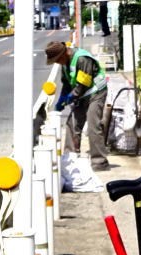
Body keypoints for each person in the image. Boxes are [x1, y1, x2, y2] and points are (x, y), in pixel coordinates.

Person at [44, 40, 110, 170]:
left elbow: (82, 86)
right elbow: (67, 84)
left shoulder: (82, 59)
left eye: (57, 60)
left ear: (64, 54)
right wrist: (61, 99)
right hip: (82, 94)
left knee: (93, 125)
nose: (57, 63)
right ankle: (69, 158)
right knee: (71, 124)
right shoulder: (64, 63)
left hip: (96, 92)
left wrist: (70, 98)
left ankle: (100, 161)